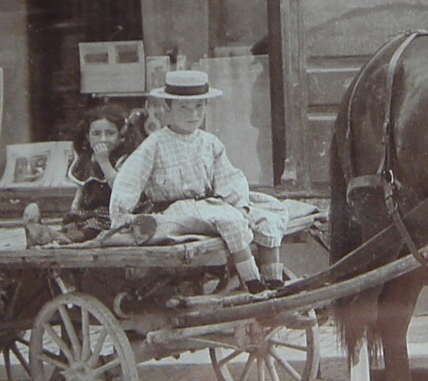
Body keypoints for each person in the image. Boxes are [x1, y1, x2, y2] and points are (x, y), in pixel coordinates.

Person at [110, 69, 289, 292]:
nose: (192, 114)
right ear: (167, 108)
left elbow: (228, 176)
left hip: (208, 204)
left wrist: (239, 204)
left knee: (268, 213)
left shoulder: (209, 142)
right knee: (231, 221)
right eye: (184, 107)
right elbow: (130, 179)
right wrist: (122, 214)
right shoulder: (155, 144)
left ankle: (274, 281)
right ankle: (253, 284)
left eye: (199, 107)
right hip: (176, 209)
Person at [22, 105, 145, 247]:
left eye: (110, 133)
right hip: (89, 213)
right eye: (96, 134)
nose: (103, 139)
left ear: (120, 137)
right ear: (87, 136)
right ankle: (45, 234)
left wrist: (104, 162)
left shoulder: (125, 159)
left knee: (94, 227)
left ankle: (56, 238)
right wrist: (74, 209)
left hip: (114, 213)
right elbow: (81, 189)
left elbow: (121, 191)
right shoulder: (85, 160)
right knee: (75, 224)